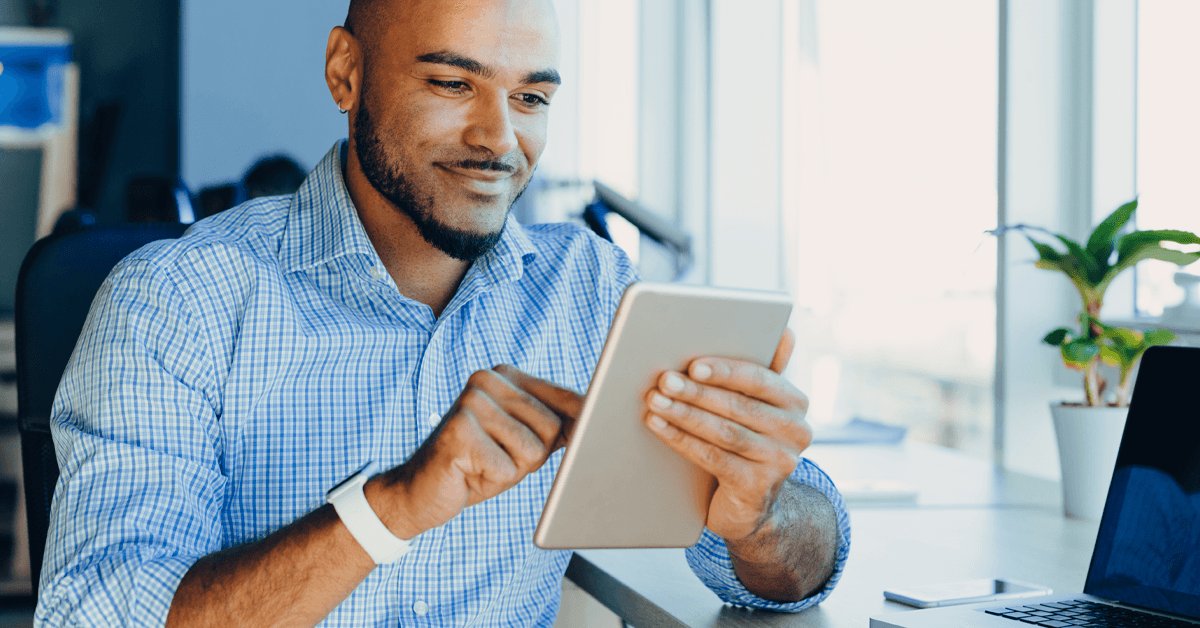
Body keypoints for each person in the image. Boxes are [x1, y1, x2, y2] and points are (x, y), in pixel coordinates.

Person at [36, 0, 851, 624]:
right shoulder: (178, 300)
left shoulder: (593, 291)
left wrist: (760, 516)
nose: (499, 138)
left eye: (530, 97)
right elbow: (95, 614)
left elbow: (803, 563)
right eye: (453, 83)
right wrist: (390, 506)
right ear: (345, 74)